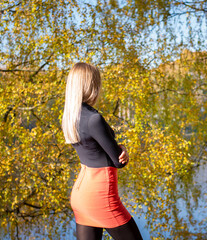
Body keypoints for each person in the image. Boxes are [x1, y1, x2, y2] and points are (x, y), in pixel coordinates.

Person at [61, 62, 143, 240]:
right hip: (101, 197)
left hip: (81, 194)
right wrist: (123, 149)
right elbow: (118, 161)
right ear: (91, 86)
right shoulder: (94, 119)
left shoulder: (70, 116)